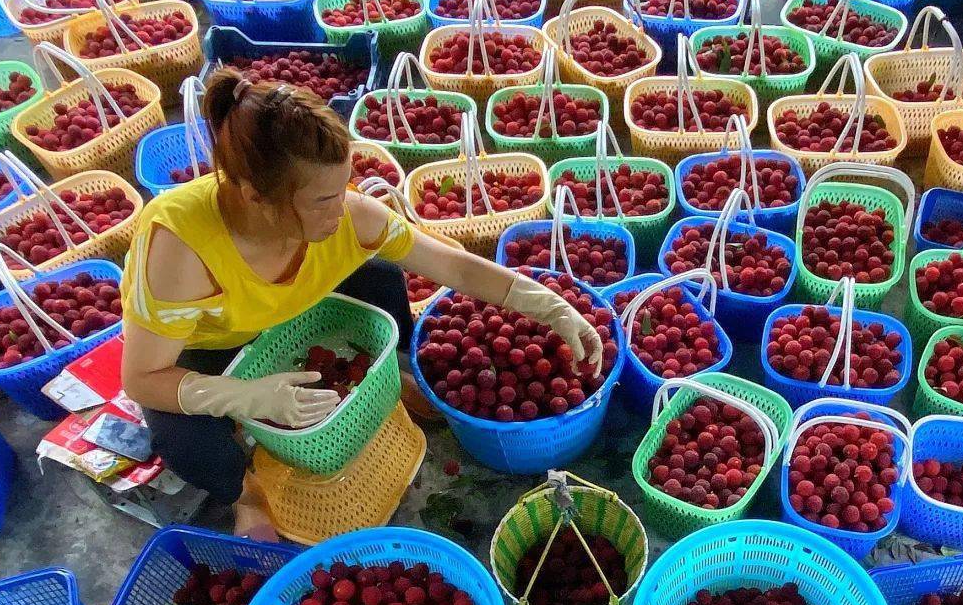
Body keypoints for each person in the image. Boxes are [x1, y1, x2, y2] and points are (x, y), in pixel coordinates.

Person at [120, 69, 602, 539]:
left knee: (380, 276)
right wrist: (245, 396)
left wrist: (546, 305)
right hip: (213, 347)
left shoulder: (348, 216)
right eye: (323, 199)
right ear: (256, 197)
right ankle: (246, 495)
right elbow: (140, 379)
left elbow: (452, 266)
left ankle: (393, 374)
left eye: (343, 187)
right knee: (189, 443)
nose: (342, 207)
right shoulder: (181, 249)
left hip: (303, 308)